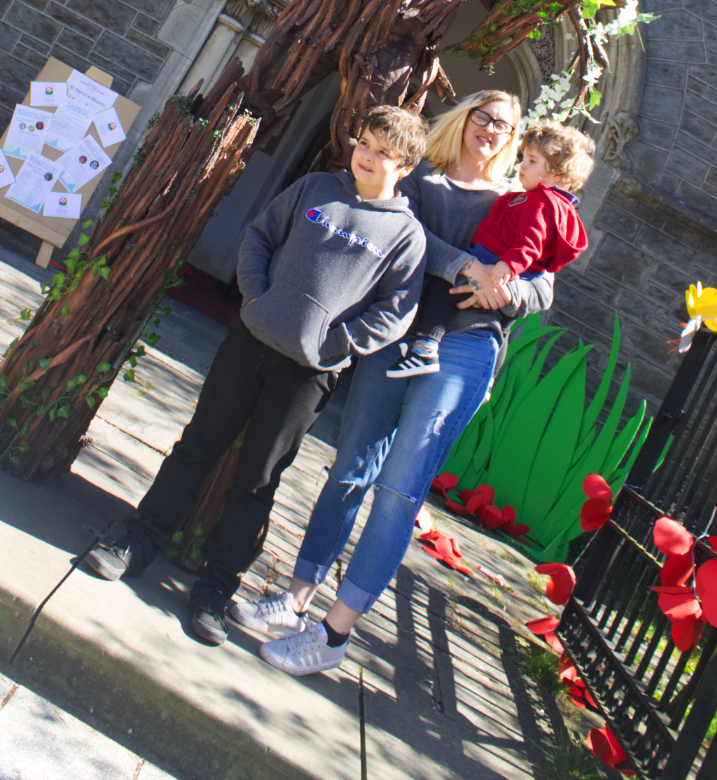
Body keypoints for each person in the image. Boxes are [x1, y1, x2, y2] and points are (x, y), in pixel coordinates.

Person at [230, 90, 557, 675]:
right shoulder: (419, 178)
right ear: (464, 118)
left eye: (505, 126)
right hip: (396, 338)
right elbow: (404, 238)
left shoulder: (520, 199)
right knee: (349, 469)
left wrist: (504, 290)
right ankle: (296, 602)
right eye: (483, 116)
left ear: (514, 139)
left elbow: (543, 287)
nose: (491, 129)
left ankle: (334, 634)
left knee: (399, 491)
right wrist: (466, 265)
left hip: (465, 348)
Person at [83, 103, 429, 648]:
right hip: (250, 342)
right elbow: (260, 237)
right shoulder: (316, 188)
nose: (367, 156)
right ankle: (138, 541)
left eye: (383, 152)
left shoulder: (406, 236)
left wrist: (335, 344)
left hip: (309, 374)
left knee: (258, 480)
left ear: (404, 167)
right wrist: (256, 298)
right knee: (198, 446)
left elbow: (396, 312)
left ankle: (215, 588)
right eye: (364, 143)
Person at [386, 118, 595, 377]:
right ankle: (483, 374)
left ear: (557, 176)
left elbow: (530, 240)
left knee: (445, 288)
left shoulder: (542, 204)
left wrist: (509, 265)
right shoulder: (536, 199)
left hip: (498, 263)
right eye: (524, 158)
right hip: (497, 262)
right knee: (491, 315)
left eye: (532, 162)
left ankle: (425, 348)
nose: (522, 165)